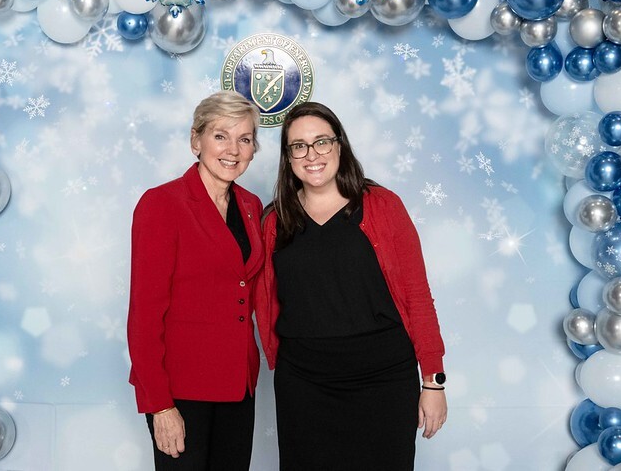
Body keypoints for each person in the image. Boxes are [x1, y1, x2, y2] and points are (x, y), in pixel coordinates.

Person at [254, 101, 447, 470]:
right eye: (299, 146)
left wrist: (433, 382)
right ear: (288, 157)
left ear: (340, 146)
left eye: (322, 142)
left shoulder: (384, 206)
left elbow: (418, 297)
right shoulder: (274, 220)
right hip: (304, 384)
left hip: (383, 379)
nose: (312, 154)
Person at [127, 91, 264, 470]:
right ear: (196, 141)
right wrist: (159, 405)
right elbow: (144, 314)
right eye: (221, 136)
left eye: (245, 139)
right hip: (181, 390)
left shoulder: (251, 206)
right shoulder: (162, 204)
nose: (233, 149)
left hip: (239, 385)